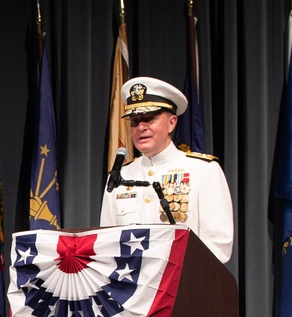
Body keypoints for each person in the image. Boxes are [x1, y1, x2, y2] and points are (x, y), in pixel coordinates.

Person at [100, 76, 234, 263]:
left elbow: (218, 245)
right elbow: (106, 242)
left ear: (171, 123)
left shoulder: (203, 171)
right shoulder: (120, 176)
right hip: (130, 285)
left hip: (184, 285)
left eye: (149, 119)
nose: (141, 127)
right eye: (135, 121)